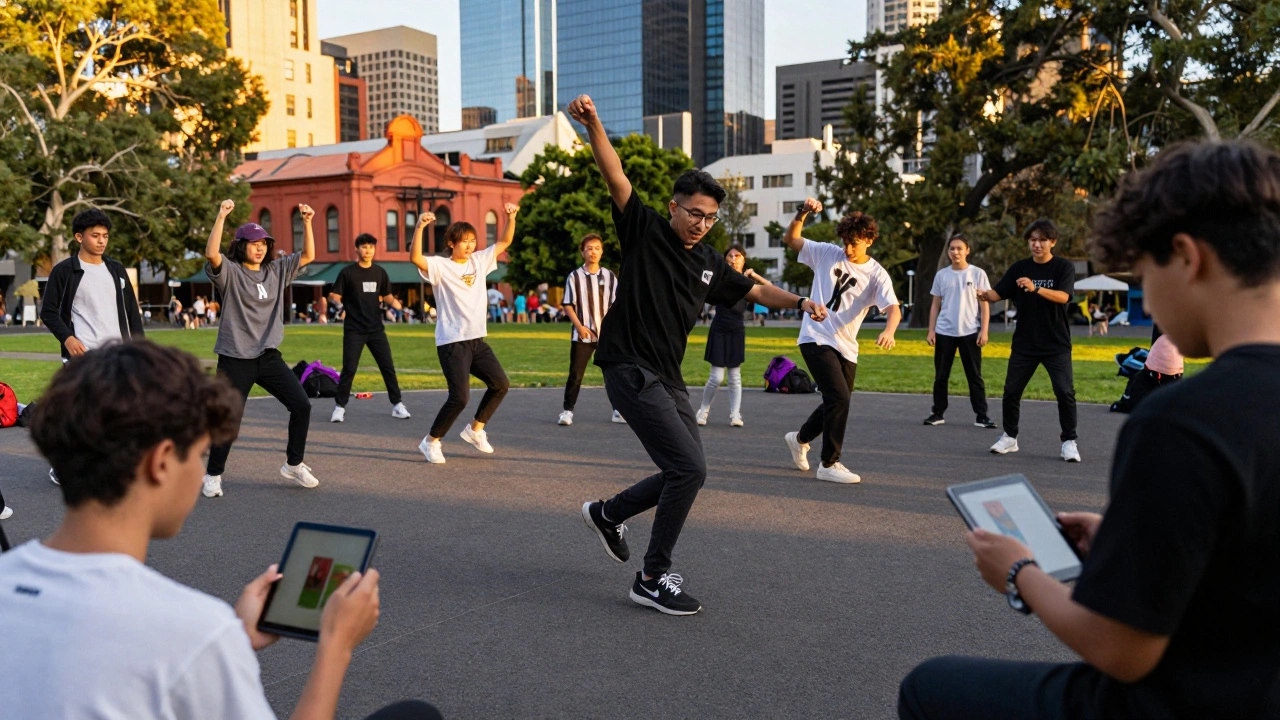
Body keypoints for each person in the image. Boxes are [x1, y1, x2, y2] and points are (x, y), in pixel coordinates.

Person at [899, 140, 1280, 720]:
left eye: (1144, 274)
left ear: (1186, 256)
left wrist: (1020, 573)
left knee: (928, 687)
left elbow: (1122, 650)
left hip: (1187, 700)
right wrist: (1128, 541)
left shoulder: (1181, 422)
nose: (1147, 296)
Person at [0, 340, 440, 720]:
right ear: (161, 462)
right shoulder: (191, 630)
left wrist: (234, 635)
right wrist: (336, 645)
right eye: (200, 452)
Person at [568, 94, 828, 615]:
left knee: (689, 470)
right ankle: (651, 575)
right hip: (627, 367)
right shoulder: (643, 229)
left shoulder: (710, 261)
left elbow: (754, 291)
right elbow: (615, 173)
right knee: (686, 469)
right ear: (673, 206)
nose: (701, 223)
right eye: (693, 213)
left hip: (666, 377)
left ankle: (607, 513)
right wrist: (595, 123)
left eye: (709, 218)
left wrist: (800, 300)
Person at [201, 199, 320, 498]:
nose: (260, 248)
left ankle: (294, 464)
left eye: (264, 243)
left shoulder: (277, 270)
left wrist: (306, 222)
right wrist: (221, 215)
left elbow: (308, 255)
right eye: (253, 243)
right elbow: (211, 253)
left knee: (302, 405)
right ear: (241, 246)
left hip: (268, 356)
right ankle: (213, 475)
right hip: (235, 357)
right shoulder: (230, 272)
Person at [781, 198, 901, 485]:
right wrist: (804, 212)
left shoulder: (876, 274)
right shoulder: (826, 253)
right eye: (846, 241)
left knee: (836, 401)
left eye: (855, 243)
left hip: (846, 345)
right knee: (839, 398)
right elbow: (791, 238)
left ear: (869, 241)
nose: (848, 248)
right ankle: (829, 463)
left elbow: (893, 308)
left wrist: (890, 330)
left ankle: (799, 439)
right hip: (815, 336)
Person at [410, 204, 519, 464]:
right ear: (451, 243)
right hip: (452, 342)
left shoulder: (480, 261)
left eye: (473, 241)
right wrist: (420, 227)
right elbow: (415, 258)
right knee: (459, 397)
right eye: (464, 241)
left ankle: (475, 429)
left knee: (500, 384)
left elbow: (504, 240)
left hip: (476, 340)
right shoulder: (440, 266)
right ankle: (430, 442)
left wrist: (511, 217)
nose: (470, 246)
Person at [977, 219, 1080, 461]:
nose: (1037, 244)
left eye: (1042, 240)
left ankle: (1069, 441)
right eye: (1033, 240)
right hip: (1025, 343)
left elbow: (1064, 296)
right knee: (1011, 391)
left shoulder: (1063, 267)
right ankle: (1010, 437)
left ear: (1052, 242)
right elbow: (996, 294)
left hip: (1056, 343)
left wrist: (1036, 289)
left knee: (1065, 392)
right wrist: (982, 294)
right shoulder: (1019, 268)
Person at [41, 208, 145, 361]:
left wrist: (141, 349)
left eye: (105, 236)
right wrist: (67, 338)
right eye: (95, 236)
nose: (101, 241)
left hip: (118, 356)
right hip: (82, 356)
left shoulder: (116, 269)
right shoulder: (64, 271)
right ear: (79, 237)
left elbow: (132, 312)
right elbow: (48, 312)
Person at [327, 233, 410, 424]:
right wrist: (338, 304)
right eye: (364, 247)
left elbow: (387, 296)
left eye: (371, 246)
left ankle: (397, 405)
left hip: (376, 330)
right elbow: (334, 295)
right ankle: (339, 408)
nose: (368, 250)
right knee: (349, 368)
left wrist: (401, 308)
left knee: (387, 366)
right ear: (357, 249)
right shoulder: (348, 272)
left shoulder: (380, 272)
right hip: (354, 330)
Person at [923, 234, 995, 429]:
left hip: (970, 332)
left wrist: (984, 330)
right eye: (952, 249)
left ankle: (982, 415)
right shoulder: (942, 275)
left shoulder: (977, 274)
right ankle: (937, 413)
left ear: (967, 250)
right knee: (941, 376)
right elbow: (935, 305)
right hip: (944, 332)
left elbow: (985, 305)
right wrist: (931, 330)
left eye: (959, 248)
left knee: (974, 376)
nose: (955, 252)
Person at [697, 244, 771, 427]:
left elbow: (769, 289)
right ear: (725, 259)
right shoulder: (720, 278)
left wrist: (753, 275)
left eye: (738, 256)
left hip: (737, 330)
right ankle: (703, 410)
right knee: (716, 377)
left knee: (735, 377)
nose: (734, 258)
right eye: (730, 255)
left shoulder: (748, 283)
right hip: (719, 328)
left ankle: (735, 414)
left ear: (744, 259)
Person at [557, 233, 624, 426]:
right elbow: (568, 305)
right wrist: (580, 327)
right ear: (582, 252)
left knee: (612, 374)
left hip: (606, 335)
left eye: (597, 248)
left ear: (602, 251)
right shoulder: (575, 277)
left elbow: (616, 305)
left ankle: (618, 410)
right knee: (576, 374)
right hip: (582, 334)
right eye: (589, 248)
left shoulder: (609, 276)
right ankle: (567, 411)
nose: (593, 252)